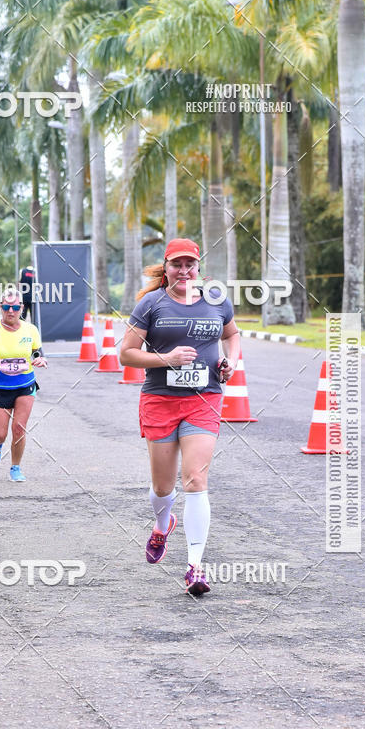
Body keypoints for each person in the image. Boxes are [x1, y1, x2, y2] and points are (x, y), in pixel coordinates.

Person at [119, 238, 241, 597]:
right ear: (167, 267)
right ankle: (162, 523)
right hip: (160, 399)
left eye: (190, 264)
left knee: (195, 480)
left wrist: (230, 361)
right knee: (163, 487)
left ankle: (195, 567)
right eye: (177, 264)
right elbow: (126, 354)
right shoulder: (151, 304)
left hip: (204, 399)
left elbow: (232, 335)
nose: (184, 271)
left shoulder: (216, 300)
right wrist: (166, 359)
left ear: (198, 267)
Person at [0, 286, 46, 482]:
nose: (11, 311)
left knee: (19, 428)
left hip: (25, 384)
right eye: (6, 307)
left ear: (22, 307)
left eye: (15, 307)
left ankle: (15, 468)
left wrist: (39, 359)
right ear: (0, 307)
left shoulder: (31, 329)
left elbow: (37, 351)